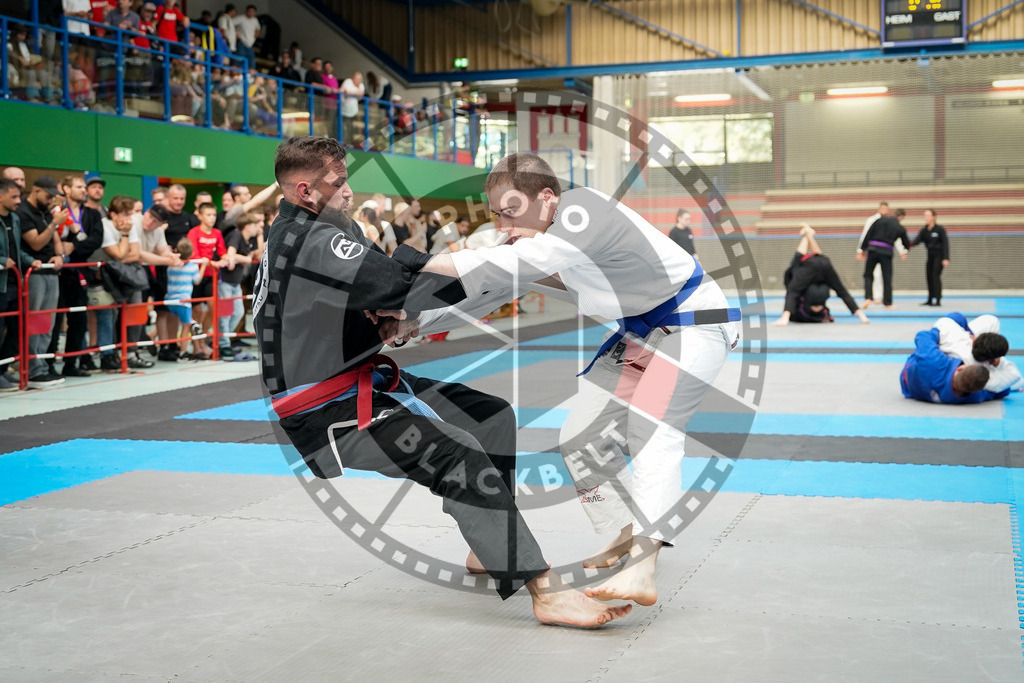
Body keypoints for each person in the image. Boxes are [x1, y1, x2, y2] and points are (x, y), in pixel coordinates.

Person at [253, 136, 631, 628]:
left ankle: (489, 547)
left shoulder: (329, 224)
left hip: (357, 376)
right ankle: (543, 591)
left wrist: (393, 317)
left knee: (491, 417)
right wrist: (493, 264)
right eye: (339, 183)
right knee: (459, 454)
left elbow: (377, 297)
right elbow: (398, 286)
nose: (349, 191)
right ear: (305, 190)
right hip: (322, 409)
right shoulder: (311, 239)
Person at [401, 152, 741, 607]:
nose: (503, 224)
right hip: (640, 331)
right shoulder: (531, 237)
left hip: (692, 322)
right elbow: (488, 288)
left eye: (511, 211)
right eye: (497, 214)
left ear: (547, 197)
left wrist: (415, 261)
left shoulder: (585, 212)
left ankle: (643, 566)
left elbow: (504, 266)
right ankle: (622, 532)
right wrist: (412, 325)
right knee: (579, 435)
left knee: (653, 430)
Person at [15, 176, 72, 382]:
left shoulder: (46, 212)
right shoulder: (23, 212)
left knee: (46, 322)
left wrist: (60, 256)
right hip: (34, 272)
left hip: (50, 271)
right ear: (36, 190)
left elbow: (56, 240)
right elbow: (36, 243)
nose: (50, 200)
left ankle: (42, 364)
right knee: (33, 320)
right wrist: (53, 225)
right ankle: (32, 368)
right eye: (48, 196)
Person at [52, 174, 104, 375]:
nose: (84, 190)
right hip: (57, 272)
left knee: (79, 319)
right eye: (79, 186)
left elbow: (96, 240)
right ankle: (48, 363)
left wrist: (74, 245)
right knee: (55, 320)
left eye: (84, 186)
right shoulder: (56, 210)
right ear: (65, 188)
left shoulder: (91, 214)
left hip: (79, 270)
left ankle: (71, 364)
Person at [772, 225, 869, 326]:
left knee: (793, 284)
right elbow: (842, 292)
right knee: (841, 290)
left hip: (813, 265)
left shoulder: (795, 269)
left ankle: (784, 318)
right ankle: (861, 315)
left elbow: (793, 291)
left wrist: (785, 317)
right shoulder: (801, 267)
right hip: (824, 263)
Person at [1, 179, 45, 390]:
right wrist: (1, 261)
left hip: (14, 282)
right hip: (1, 284)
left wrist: (30, 261)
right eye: (14, 197)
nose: (19, 201)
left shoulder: (15, 219)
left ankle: (3, 369)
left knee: (17, 328)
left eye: (19, 196)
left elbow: (16, 250)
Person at [900, 326, 1010, 404]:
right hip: (914, 390)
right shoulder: (974, 397)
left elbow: (923, 335)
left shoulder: (935, 361)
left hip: (909, 378)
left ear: (961, 368)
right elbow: (1002, 390)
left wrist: (938, 333)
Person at [935, 313, 1023, 393]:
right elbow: (1016, 377)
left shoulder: (958, 337)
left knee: (991, 321)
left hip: (953, 344)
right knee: (1017, 383)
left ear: (974, 340)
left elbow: (947, 320)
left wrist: (965, 333)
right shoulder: (980, 373)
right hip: (965, 358)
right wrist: (998, 362)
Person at [218, 211, 262, 357]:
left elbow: (252, 255)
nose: (258, 228)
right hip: (225, 281)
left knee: (238, 312)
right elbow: (230, 252)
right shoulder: (236, 235)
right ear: (248, 226)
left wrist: (247, 258)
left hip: (235, 283)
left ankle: (224, 339)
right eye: (256, 225)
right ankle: (223, 344)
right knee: (225, 314)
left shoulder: (248, 239)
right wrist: (238, 259)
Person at [187, 203, 229, 357]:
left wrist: (225, 259)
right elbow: (194, 255)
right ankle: (197, 345)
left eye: (213, 215)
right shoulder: (194, 232)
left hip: (211, 276)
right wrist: (211, 262)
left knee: (213, 308)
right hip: (196, 277)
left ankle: (202, 339)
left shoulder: (217, 233)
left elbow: (222, 251)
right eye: (208, 215)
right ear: (200, 216)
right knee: (196, 312)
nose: (211, 218)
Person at [858, 208, 909, 309]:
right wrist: (906, 249)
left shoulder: (879, 220)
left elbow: (868, 234)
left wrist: (863, 249)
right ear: (901, 217)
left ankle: (868, 297)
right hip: (886, 252)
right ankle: (888, 303)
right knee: (887, 277)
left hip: (873, 249)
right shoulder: (899, 227)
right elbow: (906, 243)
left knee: (868, 274)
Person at [166, 238, 208, 360]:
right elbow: (197, 281)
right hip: (184, 301)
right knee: (185, 326)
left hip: (170, 299)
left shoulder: (171, 266)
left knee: (172, 323)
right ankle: (183, 352)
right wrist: (203, 266)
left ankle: (172, 346)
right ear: (191, 253)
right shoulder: (192, 267)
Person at [911, 209, 949, 307]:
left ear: (934, 217)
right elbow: (916, 241)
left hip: (939, 256)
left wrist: (946, 258)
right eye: (925, 216)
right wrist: (907, 245)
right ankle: (930, 299)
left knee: (935, 276)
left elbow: (945, 244)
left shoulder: (939, 229)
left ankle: (938, 299)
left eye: (928, 216)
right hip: (930, 256)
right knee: (929, 277)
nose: (926, 218)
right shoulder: (924, 230)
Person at [340, 70, 364, 147]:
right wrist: (355, 92)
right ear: (352, 78)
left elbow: (361, 94)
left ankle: (349, 143)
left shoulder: (361, 85)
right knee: (343, 127)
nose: (357, 80)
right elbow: (346, 92)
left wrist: (351, 92)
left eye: (359, 78)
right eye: (355, 78)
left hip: (353, 111)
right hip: (343, 110)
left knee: (351, 128)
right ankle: (341, 143)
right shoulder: (348, 81)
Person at [233, 4, 260, 70]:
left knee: (251, 62)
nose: (251, 13)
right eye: (250, 11)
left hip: (250, 44)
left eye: (253, 12)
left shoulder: (255, 20)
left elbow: (258, 28)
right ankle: (236, 73)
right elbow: (231, 24)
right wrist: (235, 34)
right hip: (241, 41)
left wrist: (256, 35)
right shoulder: (241, 18)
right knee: (239, 60)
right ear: (246, 11)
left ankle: (249, 76)